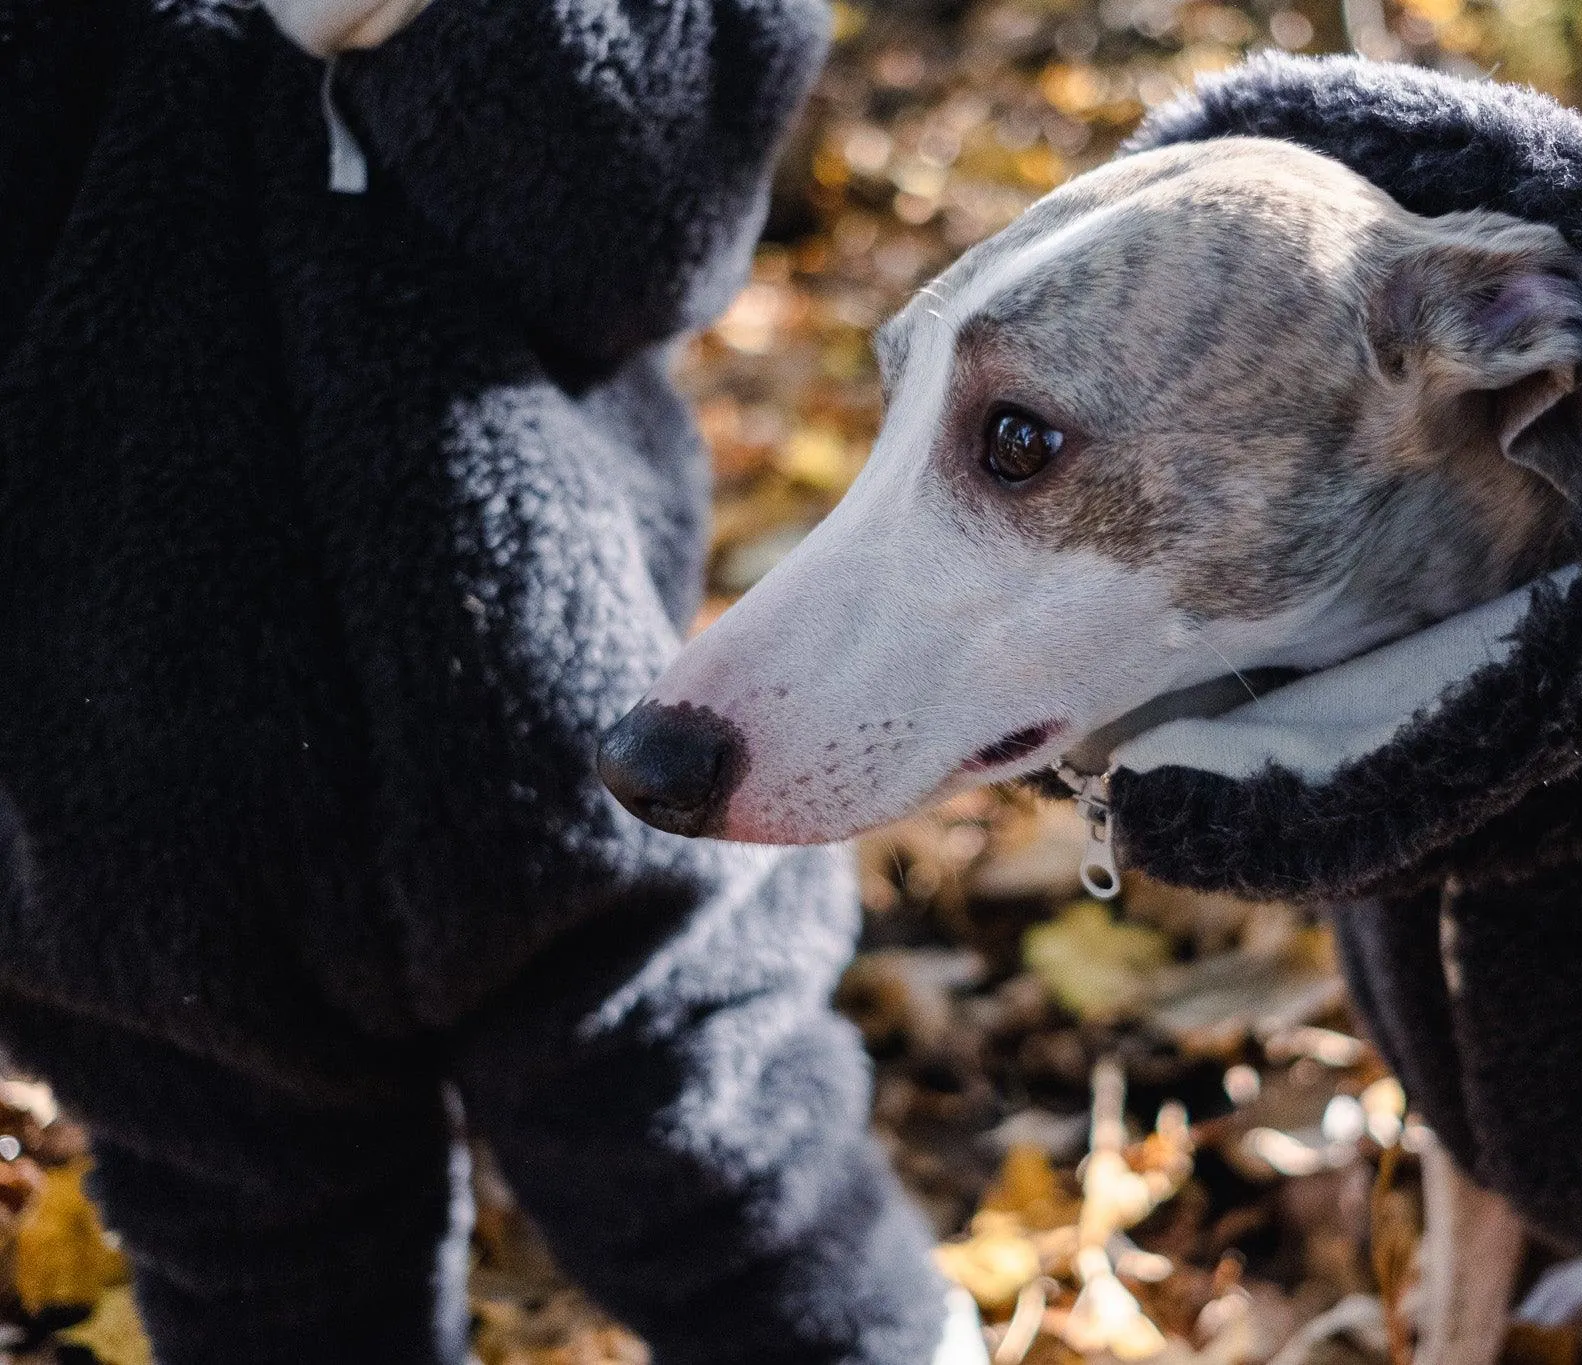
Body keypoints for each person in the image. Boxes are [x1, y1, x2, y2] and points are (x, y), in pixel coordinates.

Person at [0, 2, 955, 1361]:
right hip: (132, 865)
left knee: (751, 1201)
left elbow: (650, 224)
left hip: (587, 774)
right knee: (265, 1279)